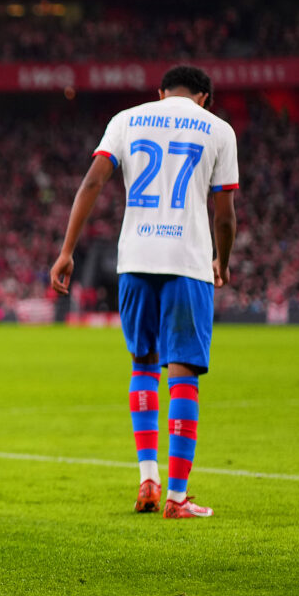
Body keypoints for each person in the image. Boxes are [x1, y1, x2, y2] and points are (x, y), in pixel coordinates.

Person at [49, 65, 238, 519]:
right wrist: (223, 261)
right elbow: (225, 212)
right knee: (184, 373)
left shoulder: (126, 119)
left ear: (160, 92)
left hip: (134, 260)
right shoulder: (218, 130)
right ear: (205, 97)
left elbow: (92, 182)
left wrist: (67, 251)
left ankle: (147, 478)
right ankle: (176, 497)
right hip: (187, 261)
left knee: (143, 363)